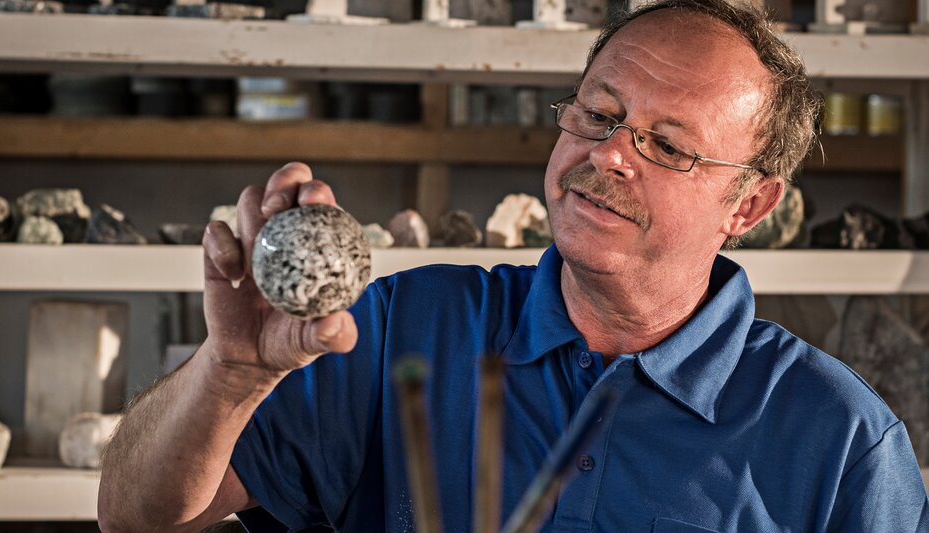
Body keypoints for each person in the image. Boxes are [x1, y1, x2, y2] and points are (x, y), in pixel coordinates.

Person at [98, 0, 929, 531]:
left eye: (668, 146)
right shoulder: (393, 332)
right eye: (600, 113)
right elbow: (133, 517)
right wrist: (229, 375)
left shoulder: (838, 441)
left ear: (748, 206)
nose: (610, 155)